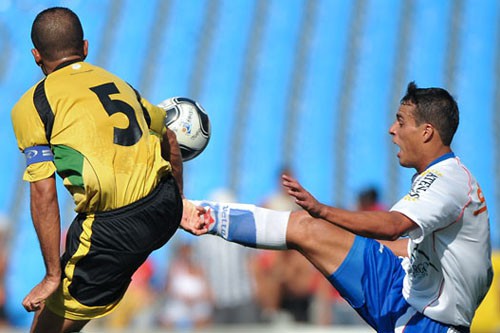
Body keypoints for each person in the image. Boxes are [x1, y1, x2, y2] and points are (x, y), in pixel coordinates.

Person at [187, 82, 493, 332]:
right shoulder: (444, 179)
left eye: (400, 121)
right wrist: (337, 236)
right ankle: (198, 214)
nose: (391, 129)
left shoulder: (445, 180)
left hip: (431, 323)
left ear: (426, 132)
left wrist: (323, 211)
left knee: (311, 224)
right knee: (306, 229)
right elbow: (415, 246)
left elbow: (393, 225)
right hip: (402, 290)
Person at [10, 7, 201, 333]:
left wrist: (52, 275)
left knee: (49, 323)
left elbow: (43, 193)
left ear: (35, 56)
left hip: (113, 227)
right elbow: (168, 134)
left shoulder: (32, 104)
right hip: (164, 205)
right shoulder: (117, 82)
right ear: (85, 47)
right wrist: (179, 200)